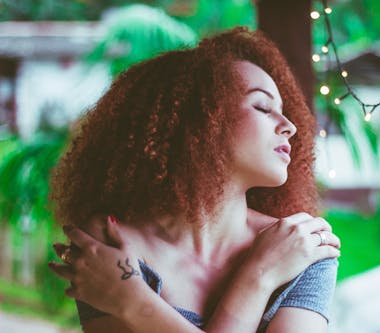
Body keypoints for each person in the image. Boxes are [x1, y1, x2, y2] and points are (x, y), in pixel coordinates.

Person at [48, 26, 341, 333]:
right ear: (201, 121)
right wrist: (259, 277)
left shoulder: (300, 245)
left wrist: (134, 302)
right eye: (262, 106)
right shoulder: (109, 238)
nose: (289, 126)